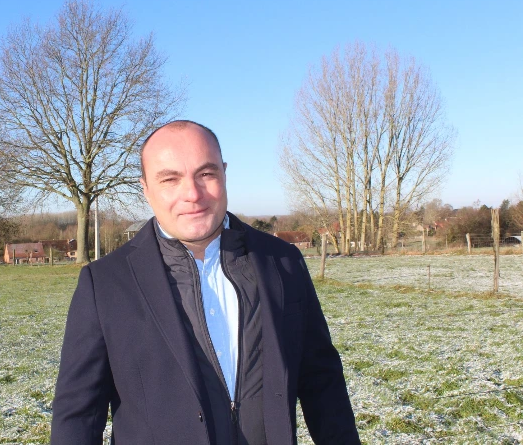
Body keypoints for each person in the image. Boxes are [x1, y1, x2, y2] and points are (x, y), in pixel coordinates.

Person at [51, 120, 360, 444]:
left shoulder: (283, 262)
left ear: (224, 173)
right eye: (170, 179)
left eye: (206, 174)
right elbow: (78, 413)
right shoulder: (104, 284)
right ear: (146, 189)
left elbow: (322, 382)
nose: (192, 194)